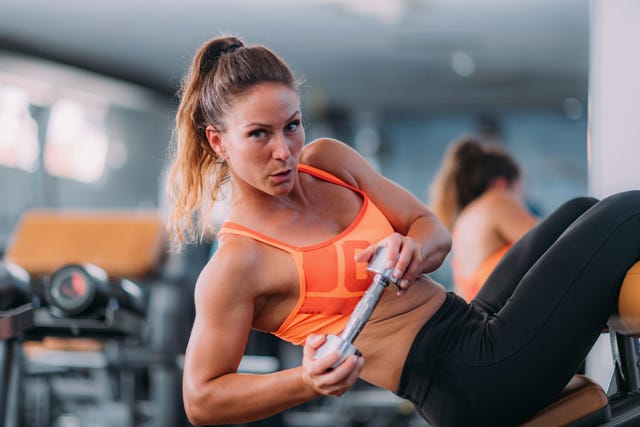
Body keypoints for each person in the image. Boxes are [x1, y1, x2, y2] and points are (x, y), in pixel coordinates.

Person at [165, 34, 640, 427]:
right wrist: (306, 381)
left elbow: (430, 228)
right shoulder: (237, 263)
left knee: (582, 209)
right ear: (217, 141)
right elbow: (201, 399)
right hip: (469, 378)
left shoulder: (328, 162)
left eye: (292, 126)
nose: (285, 151)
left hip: (469, 321)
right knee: (627, 212)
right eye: (258, 134)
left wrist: (412, 246)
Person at [429, 137, 538, 301]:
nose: (521, 202)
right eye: (520, 192)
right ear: (501, 184)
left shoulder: (462, 223)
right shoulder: (497, 200)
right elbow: (556, 244)